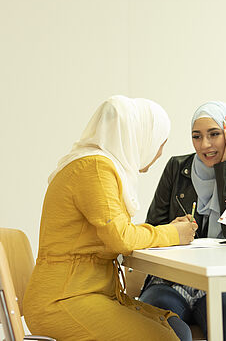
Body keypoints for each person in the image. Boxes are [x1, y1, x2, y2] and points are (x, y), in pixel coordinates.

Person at [23, 96, 197, 341]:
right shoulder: (94, 168)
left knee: (177, 327)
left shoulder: (98, 166)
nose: (160, 153)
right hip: (64, 300)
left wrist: (169, 230)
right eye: (160, 143)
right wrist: (173, 233)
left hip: (91, 293)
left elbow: (114, 230)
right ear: (140, 137)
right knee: (167, 337)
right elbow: (120, 239)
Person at [140, 101, 226, 340]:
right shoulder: (177, 168)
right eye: (196, 136)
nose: (204, 145)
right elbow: (151, 230)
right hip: (170, 281)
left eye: (214, 134)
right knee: (157, 316)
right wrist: (172, 230)